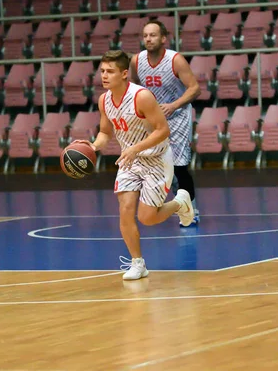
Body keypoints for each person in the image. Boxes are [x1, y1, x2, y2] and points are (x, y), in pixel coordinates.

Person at [76, 50, 194, 280]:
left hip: (156, 159)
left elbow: (163, 131)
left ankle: (180, 203)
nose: (104, 76)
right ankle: (137, 263)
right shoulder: (104, 100)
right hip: (130, 160)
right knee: (125, 210)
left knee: (147, 217)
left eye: (110, 71)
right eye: (102, 71)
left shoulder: (142, 97)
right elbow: (105, 132)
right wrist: (92, 146)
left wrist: (134, 148)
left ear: (124, 74)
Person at [129, 20, 202, 227]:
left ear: (163, 38)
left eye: (152, 35)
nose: (148, 39)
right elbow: (133, 87)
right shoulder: (136, 61)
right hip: (154, 118)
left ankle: (192, 209)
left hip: (177, 116)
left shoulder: (175, 60)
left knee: (179, 166)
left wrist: (173, 105)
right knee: (161, 165)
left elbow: (194, 88)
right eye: (145, 35)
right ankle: (177, 203)